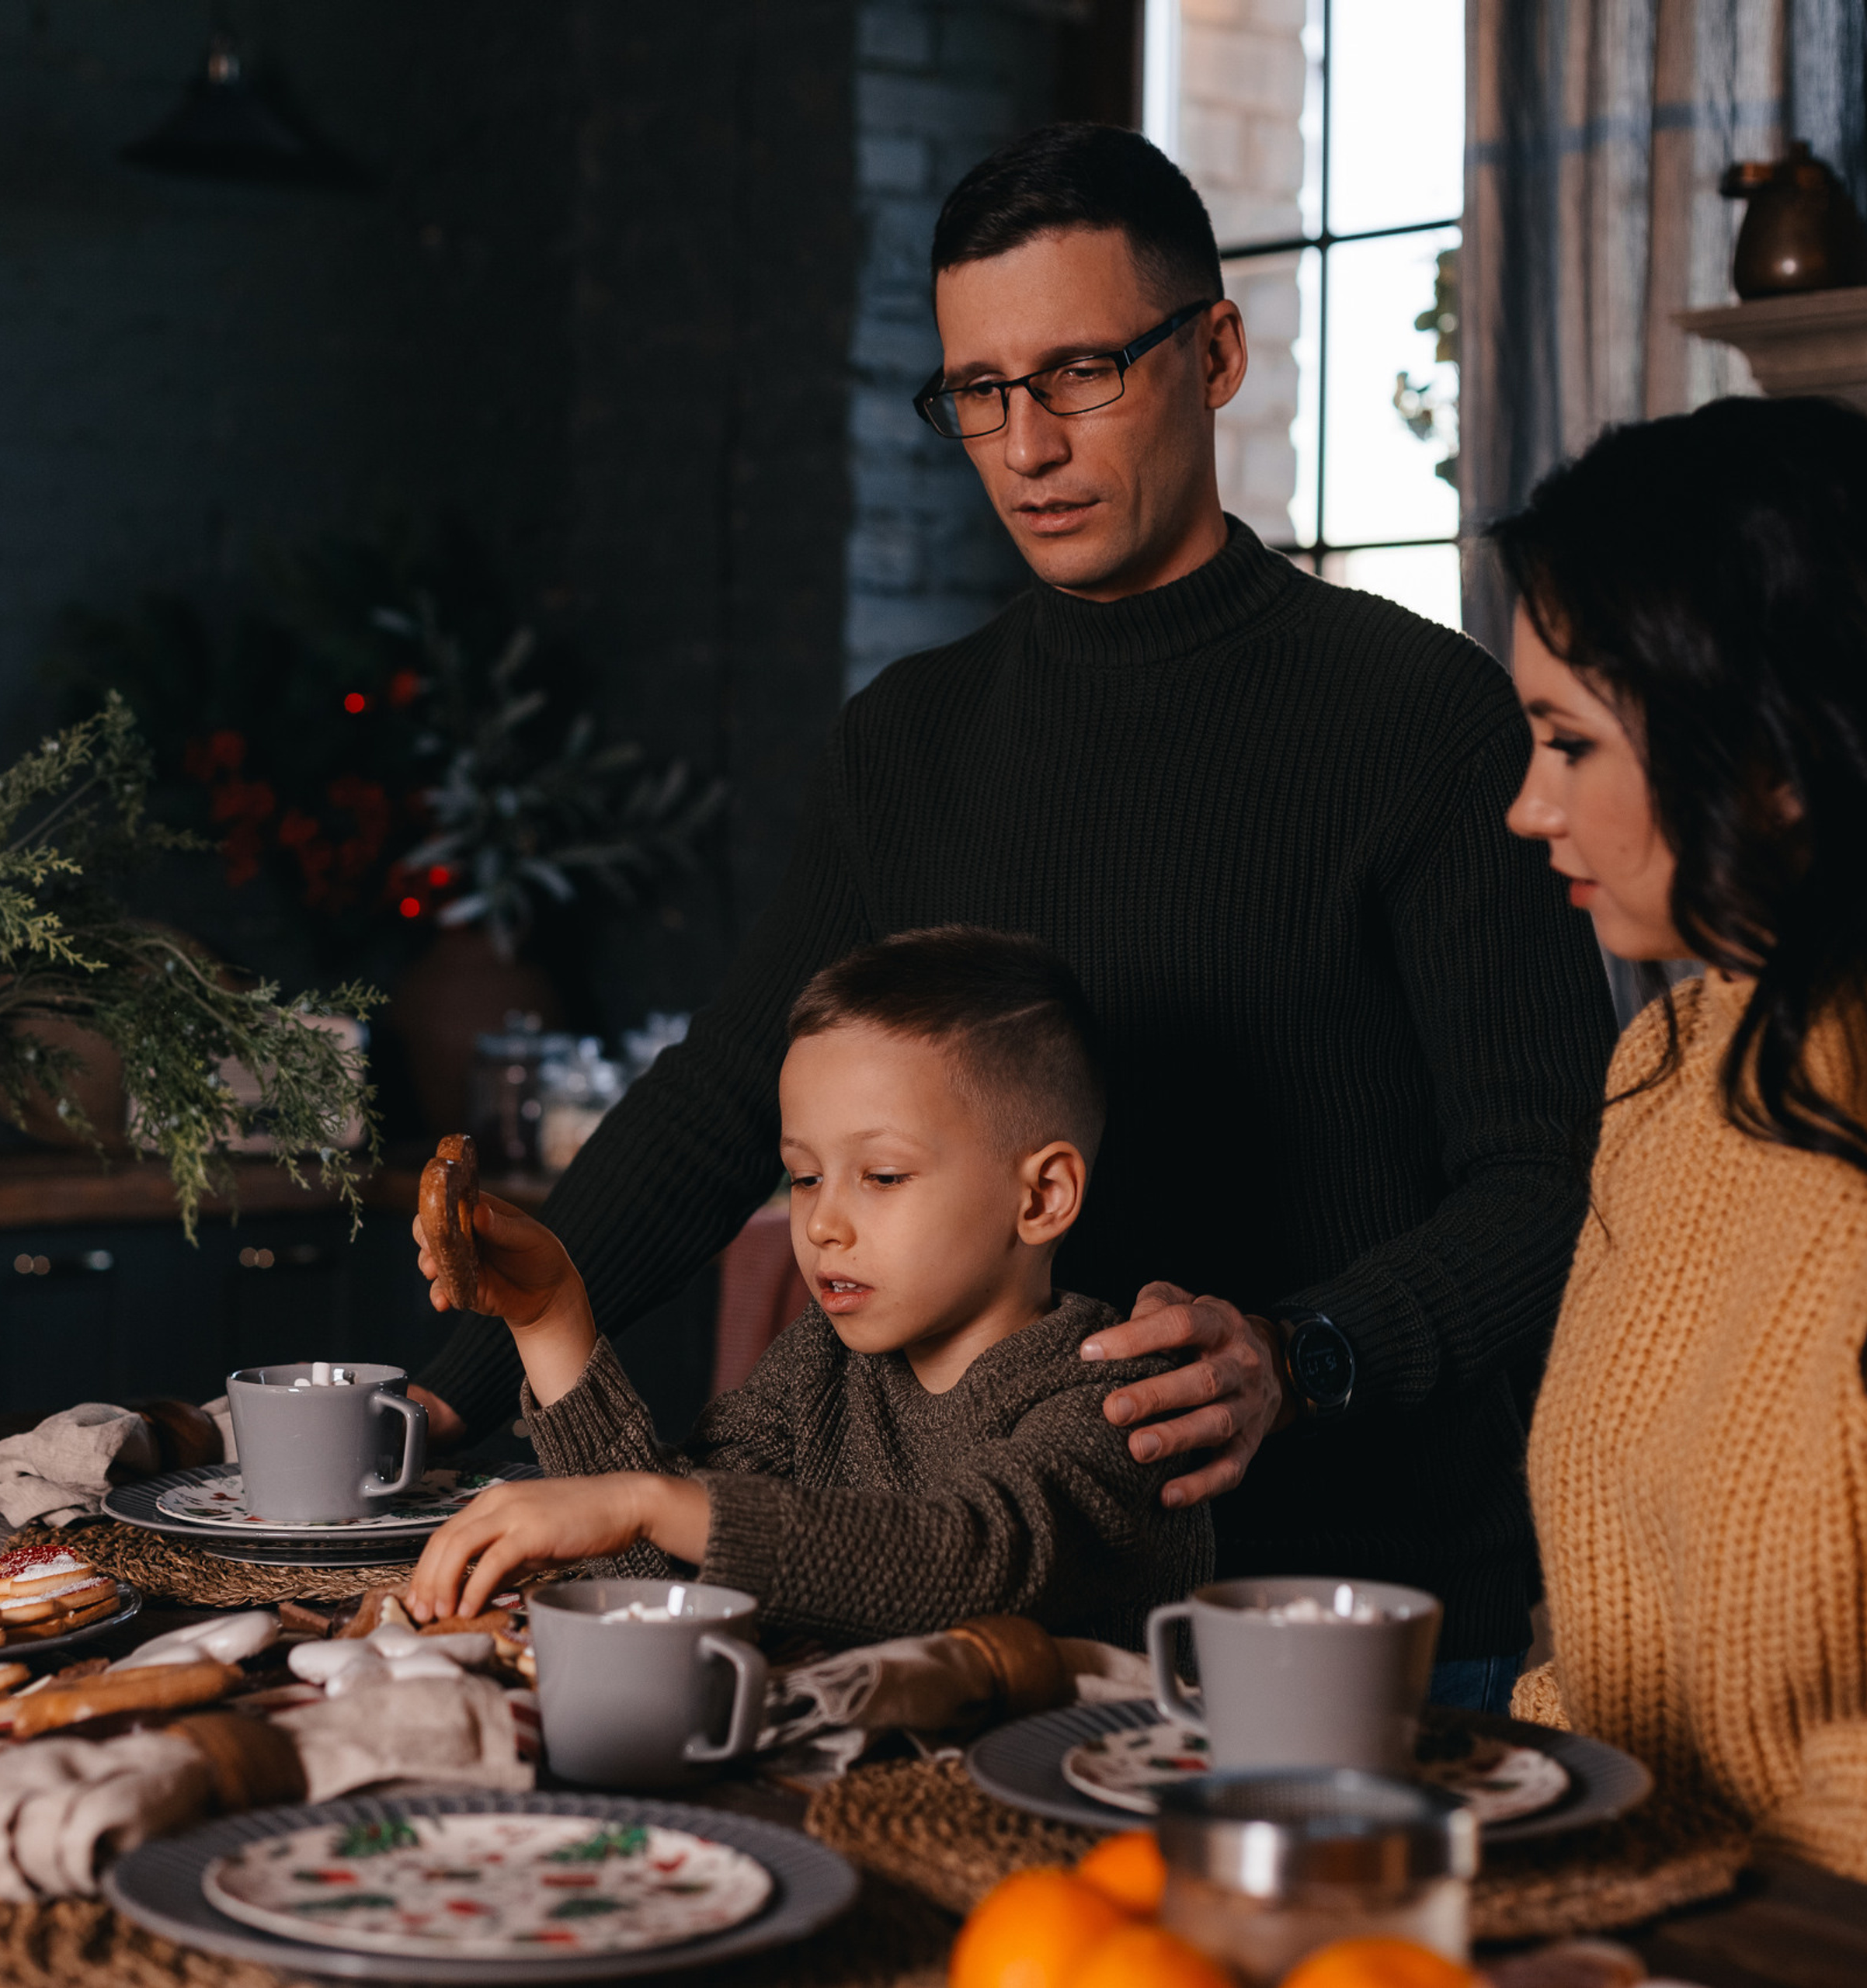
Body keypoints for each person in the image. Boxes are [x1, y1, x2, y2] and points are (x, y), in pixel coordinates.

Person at [412, 123, 1615, 1708]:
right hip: (954, 1632)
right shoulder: (906, 738)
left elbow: (1556, 1176)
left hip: (1349, 1604)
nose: (1024, 443)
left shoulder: (1421, 721)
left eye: (1079, 374)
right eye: (976, 392)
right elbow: (721, 1098)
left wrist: (1305, 1351)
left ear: (1215, 351)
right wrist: (435, 1395)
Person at [408, 926, 1213, 1645]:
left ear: (1041, 1197)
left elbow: (968, 1559)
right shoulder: (819, 1367)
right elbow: (661, 1574)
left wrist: (646, 1502)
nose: (823, 1223)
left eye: (883, 1175)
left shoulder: (1121, 1396)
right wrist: (553, 1317)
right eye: (802, 1177)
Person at [1501, 394, 1867, 1878]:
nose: (1530, 807)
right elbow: (1599, 1657)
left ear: (1775, 760)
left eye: (1568, 743)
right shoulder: (1664, 1065)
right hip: (1611, 1895)